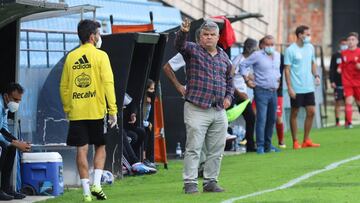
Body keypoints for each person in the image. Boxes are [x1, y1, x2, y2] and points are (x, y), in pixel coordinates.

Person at [60, 19, 117, 202]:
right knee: (100, 146)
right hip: (97, 111)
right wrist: (113, 110)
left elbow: (64, 87)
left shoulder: (71, 57)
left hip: (77, 112)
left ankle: (85, 193)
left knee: (81, 150)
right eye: (99, 34)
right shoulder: (101, 56)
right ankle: (97, 185)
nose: (99, 38)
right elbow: (108, 84)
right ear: (93, 37)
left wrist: (68, 108)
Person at [174, 19, 233, 194]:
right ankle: (190, 183)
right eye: (205, 35)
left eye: (212, 35)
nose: (208, 38)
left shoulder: (224, 56)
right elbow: (179, 45)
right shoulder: (192, 49)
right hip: (196, 108)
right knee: (194, 148)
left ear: (217, 37)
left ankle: (210, 182)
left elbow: (230, 80)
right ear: (200, 37)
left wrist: (229, 97)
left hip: (218, 109)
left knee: (217, 149)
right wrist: (183, 32)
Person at [240, 35, 281, 154]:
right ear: (262, 45)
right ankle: (260, 146)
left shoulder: (277, 55)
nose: (270, 47)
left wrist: (278, 80)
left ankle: (268, 145)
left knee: (272, 119)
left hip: (273, 91)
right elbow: (243, 65)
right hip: (261, 90)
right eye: (267, 44)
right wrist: (247, 80)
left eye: (272, 44)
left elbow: (277, 71)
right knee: (261, 118)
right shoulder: (257, 55)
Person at [284, 25, 321, 149]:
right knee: (294, 112)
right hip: (296, 87)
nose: (309, 36)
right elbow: (287, 70)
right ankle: (295, 141)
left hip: (309, 87)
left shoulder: (310, 47)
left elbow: (312, 63)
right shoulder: (290, 50)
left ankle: (306, 140)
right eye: (307, 34)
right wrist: (290, 87)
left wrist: (316, 75)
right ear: (300, 35)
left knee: (311, 112)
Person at [0, 83, 30, 201]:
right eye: (15, 99)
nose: (17, 103)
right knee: (4, 146)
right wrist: (15, 142)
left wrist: (17, 142)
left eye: (19, 100)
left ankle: (6, 188)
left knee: (11, 147)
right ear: (6, 96)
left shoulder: (5, 107)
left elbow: (4, 128)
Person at [231, 38, 257, 152]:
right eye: (255, 48)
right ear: (250, 48)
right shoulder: (238, 60)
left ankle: (250, 144)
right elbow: (230, 78)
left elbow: (246, 75)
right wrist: (239, 93)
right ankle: (226, 144)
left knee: (251, 117)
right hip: (235, 93)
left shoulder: (247, 60)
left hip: (243, 94)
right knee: (226, 118)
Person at [339, 32, 360, 128]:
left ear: (357, 41)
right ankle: (349, 123)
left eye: (353, 40)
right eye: (349, 40)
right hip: (347, 81)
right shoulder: (343, 53)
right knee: (348, 101)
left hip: (358, 82)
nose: (351, 42)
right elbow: (341, 64)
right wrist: (339, 68)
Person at [329, 38, 348, 126]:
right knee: (338, 102)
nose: (344, 45)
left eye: (345, 44)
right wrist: (332, 81)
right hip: (338, 83)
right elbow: (332, 69)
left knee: (348, 102)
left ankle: (347, 121)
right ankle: (337, 122)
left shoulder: (349, 55)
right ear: (340, 45)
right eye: (342, 44)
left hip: (348, 83)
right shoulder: (335, 55)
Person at [143, 79, 156, 168]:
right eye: (151, 89)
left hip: (145, 122)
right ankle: (143, 158)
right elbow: (141, 117)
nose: (153, 91)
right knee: (144, 133)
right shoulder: (144, 101)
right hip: (142, 123)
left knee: (147, 132)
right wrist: (147, 123)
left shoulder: (148, 100)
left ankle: (146, 158)